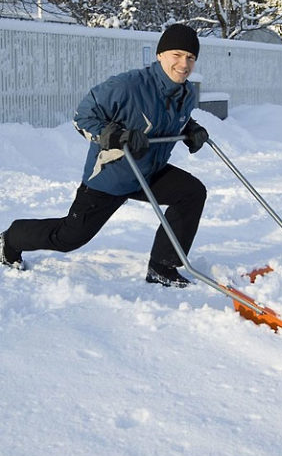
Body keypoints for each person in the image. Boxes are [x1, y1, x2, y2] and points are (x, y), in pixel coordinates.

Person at [0, 24, 209, 287]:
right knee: (69, 238)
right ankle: (11, 238)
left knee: (191, 192)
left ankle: (162, 266)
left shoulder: (186, 93)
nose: (184, 63)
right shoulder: (127, 86)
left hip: (148, 172)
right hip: (111, 177)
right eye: (176, 55)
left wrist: (191, 129)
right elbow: (83, 117)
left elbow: (174, 118)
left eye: (190, 57)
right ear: (160, 55)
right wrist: (116, 136)